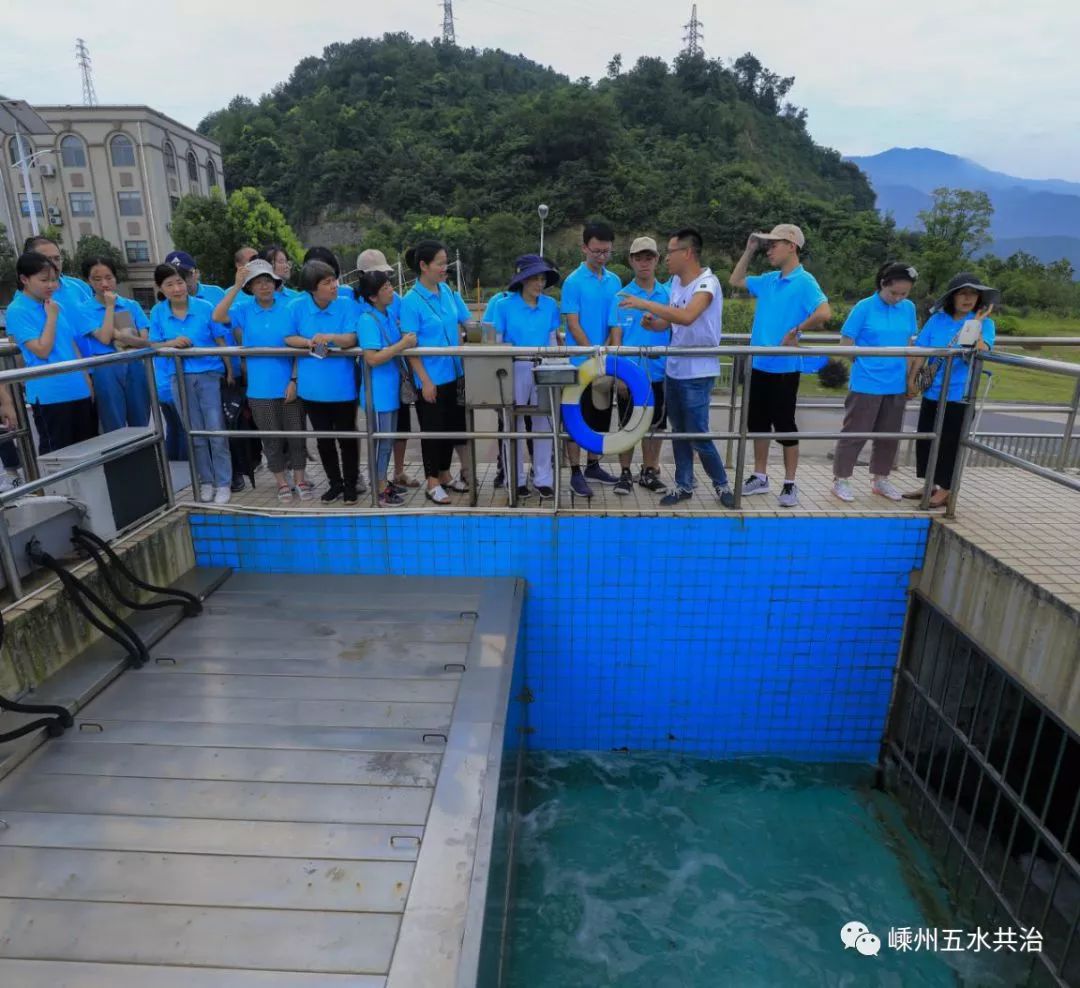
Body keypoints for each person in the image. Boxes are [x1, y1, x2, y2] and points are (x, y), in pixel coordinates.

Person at [619, 228, 734, 508]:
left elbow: (687, 316)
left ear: (688, 253)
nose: (666, 258)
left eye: (670, 252)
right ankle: (683, 485)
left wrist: (646, 304)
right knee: (678, 433)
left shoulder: (707, 283)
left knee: (697, 434)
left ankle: (722, 484)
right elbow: (671, 323)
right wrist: (653, 323)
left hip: (697, 373)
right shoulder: (675, 283)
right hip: (674, 369)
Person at [729, 223, 831, 508]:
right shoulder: (770, 279)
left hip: (785, 367)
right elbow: (736, 280)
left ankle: (789, 483)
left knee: (785, 424)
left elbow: (824, 312)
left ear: (792, 246)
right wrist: (749, 250)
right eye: (768, 245)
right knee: (758, 424)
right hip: (760, 363)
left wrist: (796, 330)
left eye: (775, 244)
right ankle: (760, 476)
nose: (769, 250)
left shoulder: (805, 281)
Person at [214, 259, 313, 502]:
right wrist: (236, 286)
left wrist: (294, 380)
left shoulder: (289, 306)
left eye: (268, 281)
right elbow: (218, 316)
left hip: (289, 384)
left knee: (296, 435)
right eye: (257, 282)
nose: (264, 286)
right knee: (271, 438)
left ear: (276, 282)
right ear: (250, 287)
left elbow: (301, 344)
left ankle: (300, 478)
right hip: (260, 389)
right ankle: (281, 481)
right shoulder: (244, 309)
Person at [905, 272, 998, 509]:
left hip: (959, 394)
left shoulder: (984, 323)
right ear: (952, 297)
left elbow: (982, 349)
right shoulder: (938, 319)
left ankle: (946, 488)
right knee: (926, 438)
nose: (968, 299)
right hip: (933, 391)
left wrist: (976, 322)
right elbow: (921, 350)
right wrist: (912, 380)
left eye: (974, 294)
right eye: (963, 293)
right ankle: (930, 484)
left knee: (950, 442)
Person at [831, 262, 920, 503]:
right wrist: (864, 363)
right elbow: (846, 344)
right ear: (883, 284)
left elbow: (910, 344)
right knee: (855, 433)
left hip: (896, 383)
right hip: (866, 383)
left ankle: (881, 479)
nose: (898, 298)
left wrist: (911, 378)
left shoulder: (908, 308)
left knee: (889, 435)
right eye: (894, 293)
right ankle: (841, 479)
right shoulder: (864, 307)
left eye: (904, 293)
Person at [149, 262, 234, 503]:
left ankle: (224, 482)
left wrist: (228, 370)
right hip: (178, 376)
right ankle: (206, 481)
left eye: (180, 282)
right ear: (160, 288)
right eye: (170, 284)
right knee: (194, 432)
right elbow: (153, 344)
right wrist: (171, 343)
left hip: (208, 375)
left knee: (216, 431)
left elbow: (220, 340)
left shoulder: (205, 307)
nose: (177, 288)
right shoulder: (158, 312)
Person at [399, 240, 474, 504]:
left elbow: (468, 323)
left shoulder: (448, 292)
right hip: (430, 377)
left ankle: (444, 474)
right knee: (432, 429)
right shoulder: (411, 301)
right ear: (423, 266)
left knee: (451, 427)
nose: (445, 268)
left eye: (446, 263)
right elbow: (411, 346)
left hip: (454, 373)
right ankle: (432, 482)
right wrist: (425, 381)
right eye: (440, 263)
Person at [284, 260, 362, 504]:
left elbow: (351, 338)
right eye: (327, 282)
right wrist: (308, 342)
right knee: (324, 440)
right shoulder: (297, 307)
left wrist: (330, 337)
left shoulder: (347, 305)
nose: (334, 286)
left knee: (347, 439)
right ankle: (335, 484)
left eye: (333, 280)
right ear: (312, 288)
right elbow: (288, 337)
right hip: (312, 389)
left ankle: (351, 484)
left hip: (343, 387)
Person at [7, 251, 97, 453]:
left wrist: (86, 380)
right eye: (44, 280)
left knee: (87, 452)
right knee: (59, 455)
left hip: (77, 388)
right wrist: (51, 317)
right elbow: (42, 350)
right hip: (51, 394)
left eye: (54, 280)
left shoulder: (54, 305)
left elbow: (71, 345)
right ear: (24, 279)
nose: (51, 285)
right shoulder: (18, 309)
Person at [561, 220, 623, 497]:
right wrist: (593, 352)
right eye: (596, 251)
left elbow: (615, 322)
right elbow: (573, 324)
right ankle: (575, 471)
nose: (601, 256)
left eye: (606, 252)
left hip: (604, 361)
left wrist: (607, 352)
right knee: (576, 418)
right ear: (584, 248)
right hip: (578, 363)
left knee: (600, 416)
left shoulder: (615, 281)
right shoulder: (573, 282)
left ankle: (593, 465)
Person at [494, 254, 560, 500]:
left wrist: (554, 364)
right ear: (522, 280)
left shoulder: (551, 305)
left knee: (544, 425)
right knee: (514, 424)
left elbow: (553, 339)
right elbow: (498, 342)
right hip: (515, 367)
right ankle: (515, 478)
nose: (539, 284)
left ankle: (543, 478)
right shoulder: (503, 305)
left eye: (542, 279)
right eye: (534, 279)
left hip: (543, 366)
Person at [608, 236, 670, 495]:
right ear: (631, 261)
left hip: (658, 371)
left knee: (655, 426)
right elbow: (616, 338)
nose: (644, 262)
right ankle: (624, 472)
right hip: (630, 373)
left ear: (657, 259)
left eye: (649, 257)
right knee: (627, 425)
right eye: (639, 258)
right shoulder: (621, 296)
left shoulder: (667, 295)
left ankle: (649, 471)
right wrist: (618, 374)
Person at [356, 248, 418, 491]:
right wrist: (402, 344)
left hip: (390, 390)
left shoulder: (388, 316)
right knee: (381, 441)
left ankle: (383, 481)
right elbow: (372, 358)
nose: (391, 291)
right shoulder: (367, 320)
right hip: (378, 394)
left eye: (390, 286)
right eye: (385, 288)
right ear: (372, 296)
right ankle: (379, 486)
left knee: (388, 440)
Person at [74, 255, 151, 432]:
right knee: (113, 422)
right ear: (89, 281)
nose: (104, 284)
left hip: (134, 363)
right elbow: (104, 338)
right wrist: (110, 307)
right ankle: (118, 459)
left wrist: (123, 337)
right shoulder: (84, 309)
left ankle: (142, 458)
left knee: (141, 419)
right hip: (105, 365)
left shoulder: (131, 305)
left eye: (109, 277)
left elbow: (144, 339)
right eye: (97, 279)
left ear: (116, 278)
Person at [23, 235, 92, 310]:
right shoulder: (24, 301)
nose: (54, 264)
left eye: (57, 258)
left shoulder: (80, 286)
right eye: (47, 260)